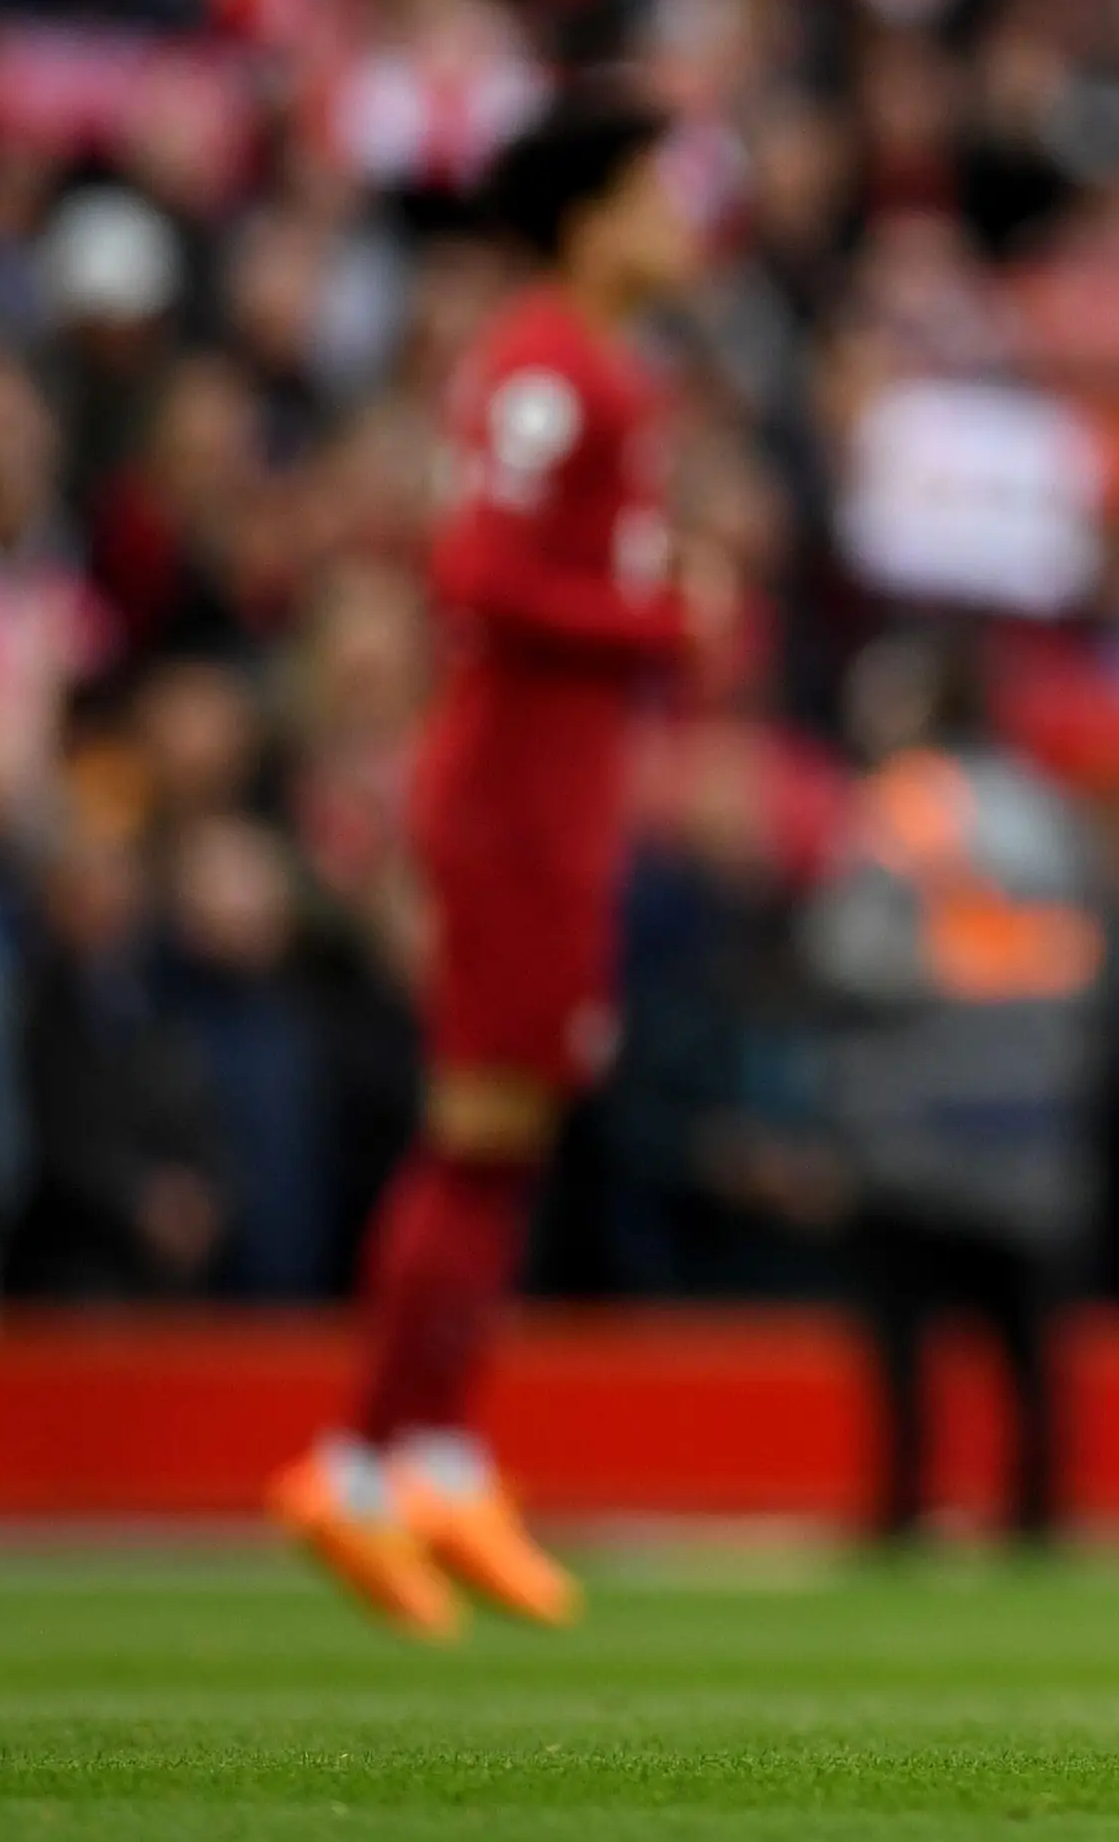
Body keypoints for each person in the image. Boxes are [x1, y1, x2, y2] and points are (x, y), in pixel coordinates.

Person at [269, 84, 730, 1639]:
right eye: (660, 197)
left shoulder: (596, 367)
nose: (685, 225)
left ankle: (441, 1454)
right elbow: (478, 569)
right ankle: (355, 1460)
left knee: (511, 1137)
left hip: (560, 796)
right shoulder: (546, 367)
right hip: (514, 803)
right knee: (475, 1132)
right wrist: (661, 619)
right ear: (592, 217)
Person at [806, 628, 1113, 1548]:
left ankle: (902, 1510)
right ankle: (1038, 1516)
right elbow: (1098, 960)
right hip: (1032, 1119)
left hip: (910, 1121)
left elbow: (846, 953)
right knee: (1029, 1350)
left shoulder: (899, 804)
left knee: (905, 1349)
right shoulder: (1052, 811)